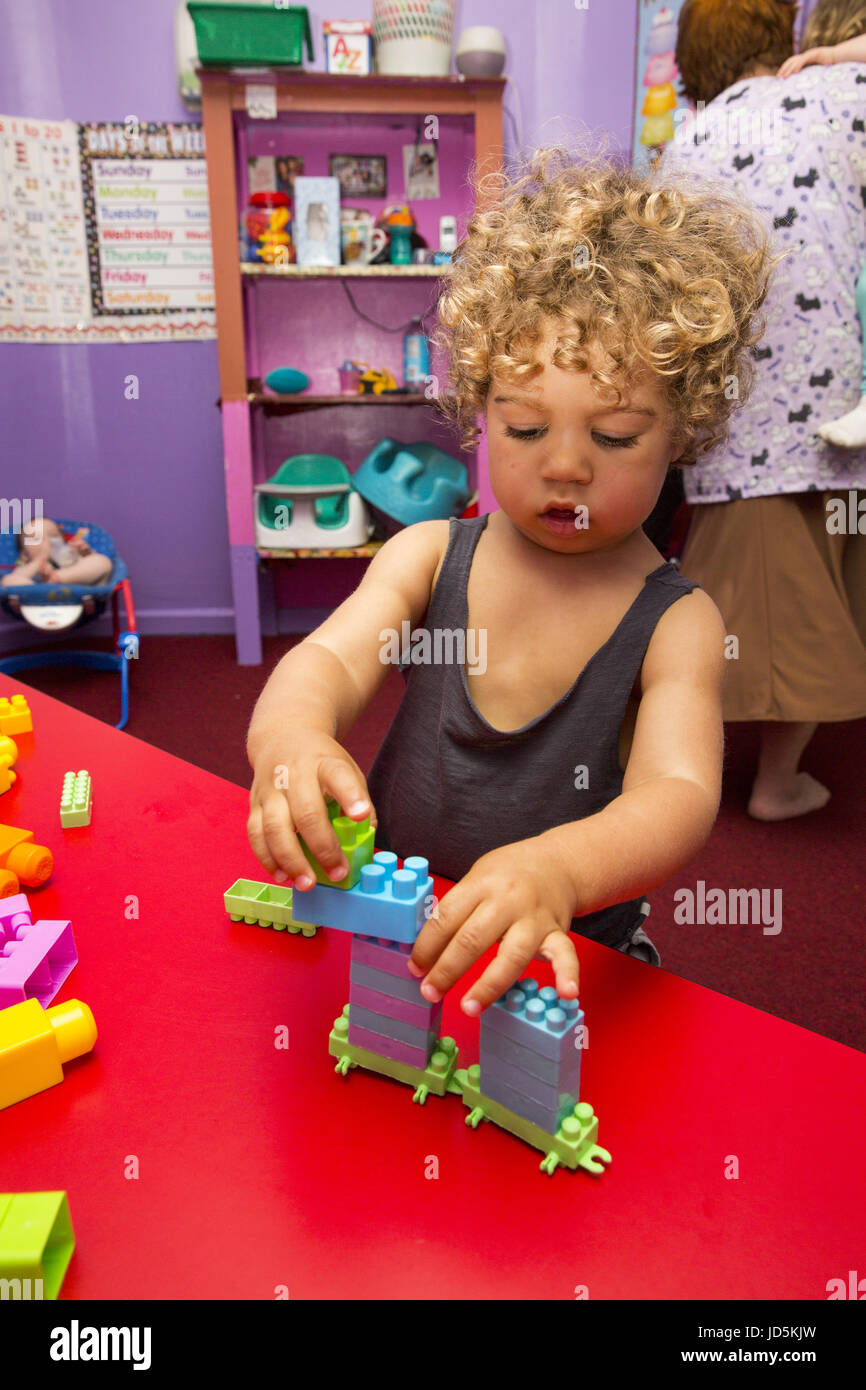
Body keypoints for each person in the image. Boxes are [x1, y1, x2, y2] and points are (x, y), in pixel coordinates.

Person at [245, 146, 772, 1015]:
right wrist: (291, 740)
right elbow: (328, 664)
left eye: (613, 438)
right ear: (481, 405)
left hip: (566, 962)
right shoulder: (426, 557)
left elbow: (678, 795)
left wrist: (559, 870)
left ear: (681, 430)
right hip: (393, 927)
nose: (565, 467)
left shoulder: (676, 620)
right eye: (525, 429)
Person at [663, 0, 866, 820]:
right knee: (825, 601)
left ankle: (674, 764)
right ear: (780, 35)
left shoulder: (682, 146)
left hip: (729, 419)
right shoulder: (836, 97)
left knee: (721, 608)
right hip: (833, 414)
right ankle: (777, 781)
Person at [1, 518, 112, 588]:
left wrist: (86, 554)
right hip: (36, 602)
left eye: (52, 536)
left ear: (64, 542)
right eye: (35, 539)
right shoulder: (26, 566)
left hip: (79, 598)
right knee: (8, 580)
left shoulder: (72, 557)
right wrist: (38, 561)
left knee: (101, 561)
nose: (47, 542)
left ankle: (55, 579)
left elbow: (92, 565)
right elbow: (16, 578)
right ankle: (40, 590)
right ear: (24, 555)